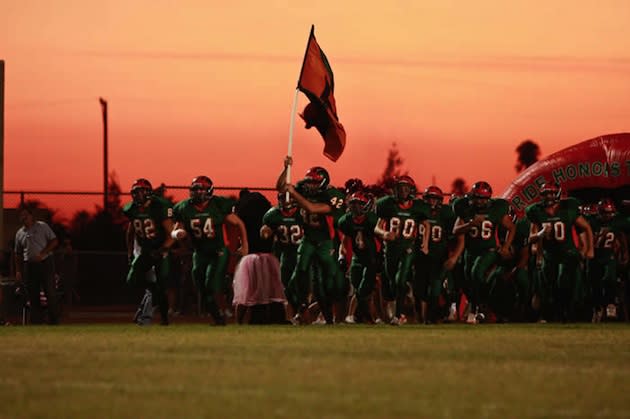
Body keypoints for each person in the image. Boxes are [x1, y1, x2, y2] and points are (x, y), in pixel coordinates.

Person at [172, 175, 249, 325]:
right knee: (201, 288)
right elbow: (175, 231)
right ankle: (218, 318)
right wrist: (177, 234)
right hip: (199, 253)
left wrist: (244, 245)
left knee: (210, 285)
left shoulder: (218, 204)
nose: (198, 192)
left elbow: (239, 223)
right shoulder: (183, 207)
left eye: (202, 189)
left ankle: (221, 313)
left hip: (218, 252)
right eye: (195, 189)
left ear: (209, 191)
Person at [277, 157, 345, 324]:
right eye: (309, 182)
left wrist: (293, 193)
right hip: (308, 239)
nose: (310, 185)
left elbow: (312, 208)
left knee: (326, 283)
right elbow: (281, 187)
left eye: (314, 183)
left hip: (325, 242)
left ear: (323, 183)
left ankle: (330, 317)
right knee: (299, 274)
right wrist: (286, 169)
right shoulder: (303, 188)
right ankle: (300, 307)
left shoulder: (332, 195)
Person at [526, 182, 594, 322]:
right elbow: (531, 238)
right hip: (549, 254)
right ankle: (554, 314)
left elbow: (586, 227)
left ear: (557, 194)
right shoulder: (536, 211)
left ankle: (567, 312)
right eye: (545, 194)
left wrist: (589, 249)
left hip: (567, 252)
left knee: (563, 280)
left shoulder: (568, 208)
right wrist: (541, 233)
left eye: (551, 193)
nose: (548, 197)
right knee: (547, 287)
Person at [451, 181, 516, 324]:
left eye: (482, 198)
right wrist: (470, 224)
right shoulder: (465, 209)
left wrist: (506, 246)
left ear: (488, 198)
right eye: (477, 197)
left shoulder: (496, 209)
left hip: (488, 250)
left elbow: (511, 227)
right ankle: (478, 308)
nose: (479, 201)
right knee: (469, 281)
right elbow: (455, 231)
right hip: (470, 251)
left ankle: (477, 309)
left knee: (476, 273)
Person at [374, 175, 430, 325]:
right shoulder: (387, 205)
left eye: (406, 188)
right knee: (393, 281)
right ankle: (404, 293)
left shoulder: (418, 207)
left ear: (411, 190)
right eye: (400, 188)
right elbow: (377, 227)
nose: (403, 191)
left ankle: (398, 316)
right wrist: (384, 233)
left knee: (400, 280)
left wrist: (425, 244)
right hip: (391, 249)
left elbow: (426, 224)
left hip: (408, 247)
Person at [123, 178, 175, 326]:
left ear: (148, 193)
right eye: (135, 193)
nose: (137, 196)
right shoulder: (131, 209)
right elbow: (130, 231)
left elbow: (171, 233)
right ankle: (153, 289)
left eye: (140, 192)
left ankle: (164, 319)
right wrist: (129, 252)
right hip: (145, 251)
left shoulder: (159, 207)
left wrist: (163, 249)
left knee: (163, 287)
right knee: (132, 280)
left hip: (160, 251)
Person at [415, 185, 462, 324]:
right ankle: (422, 318)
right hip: (421, 255)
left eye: (435, 199)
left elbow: (456, 234)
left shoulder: (447, 213)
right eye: (429, 198)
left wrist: (453, 255)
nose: (432, 202)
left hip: (439, 255)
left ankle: (432, 317)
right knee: (419, 288)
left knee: (436, 286)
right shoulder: (419, 210)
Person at [14, 205, 60, 324]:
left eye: (25, 215)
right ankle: (36, 323)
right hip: (29, 266)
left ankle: (54, 322)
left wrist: (43, 252)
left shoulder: (42, 226)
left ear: (31, 216)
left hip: (45, 264)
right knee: (33, 295)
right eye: (21, 216)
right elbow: (17, 253)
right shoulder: (19, 233)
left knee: (50, 293)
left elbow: (54, 241)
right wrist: (18, 270)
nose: (23, 218)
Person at [338, 191, 379, 323]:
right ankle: (369, 318)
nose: (356, 207)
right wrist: (342, 255)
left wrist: (379, 258)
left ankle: (367, 317)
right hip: (357, 258)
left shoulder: (372, 219)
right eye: (354, 204)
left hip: (371, 258)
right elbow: (345, 240)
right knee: (358, 289)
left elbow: (380, 240)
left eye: (359, 204)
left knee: (363, 290)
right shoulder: (346, 220)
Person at [587, 198, 628, 322]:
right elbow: (586, 237)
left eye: (610, 213)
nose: (608, 215)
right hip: (594, 256)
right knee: (595, 285)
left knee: (610, 278)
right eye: (605, 213)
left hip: (609, 256)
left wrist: (625, 252)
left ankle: (610, 304)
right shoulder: (592, 222)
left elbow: (621, 235)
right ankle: (598, 308)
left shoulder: (617, 222)